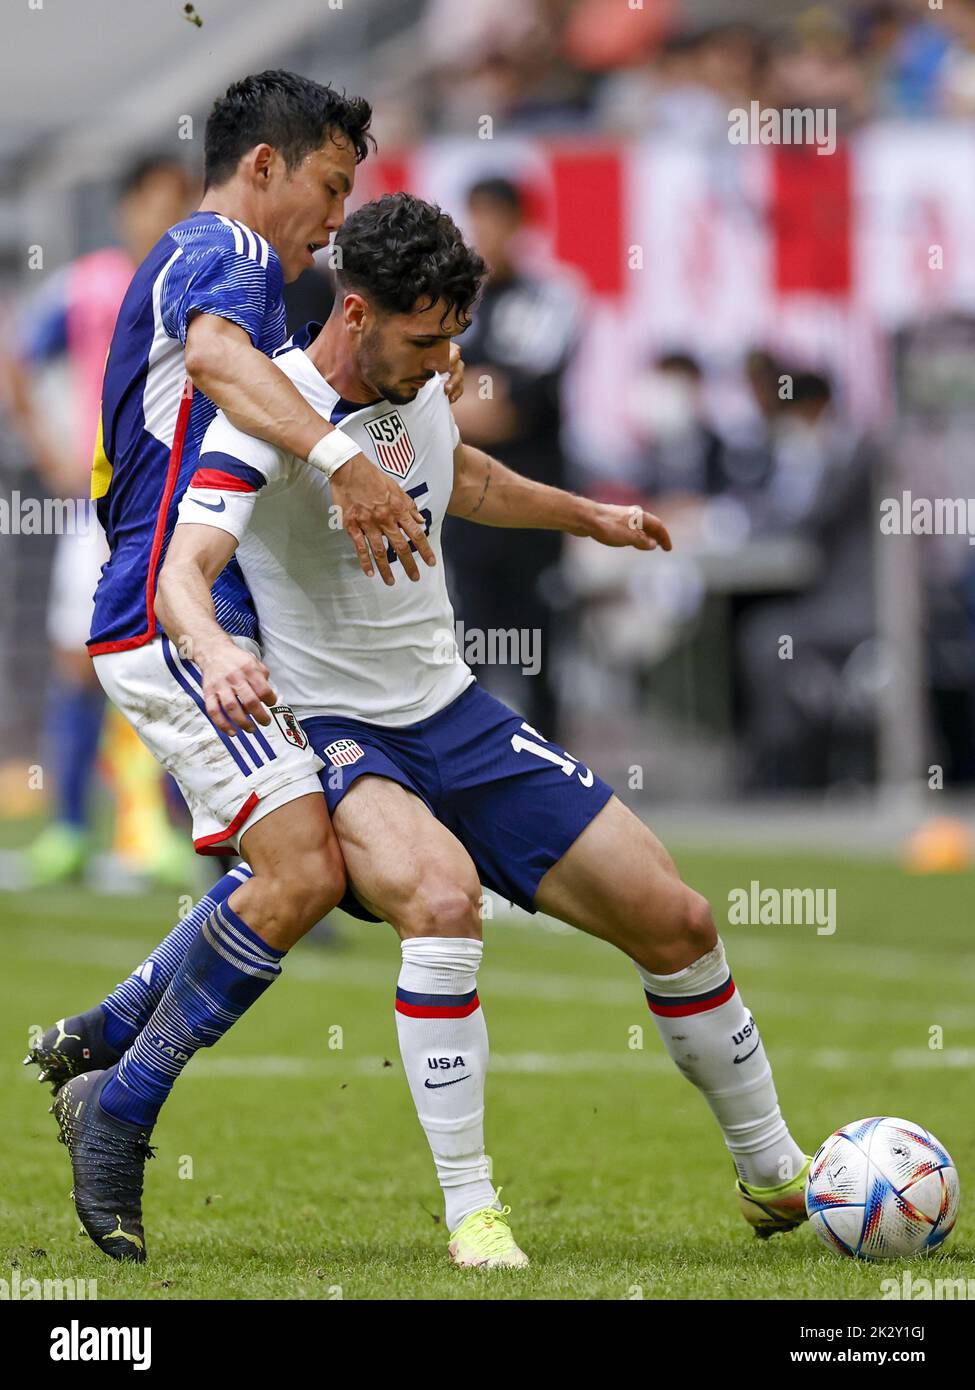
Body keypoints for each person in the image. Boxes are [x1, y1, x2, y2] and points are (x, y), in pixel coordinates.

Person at [50, 195, 810, 1271]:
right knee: (443, 900)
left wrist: (588, 514)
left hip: (455, 714)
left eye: (457, 336)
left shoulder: (423, 381)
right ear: (356, 314)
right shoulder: (273, 415)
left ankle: (776, 1173)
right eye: (427, 337)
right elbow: (184, 569)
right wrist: (219, 651)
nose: (448, 359)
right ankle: (472, 1212)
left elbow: (466, 479)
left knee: (678, 919)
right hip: (343, 734)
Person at [26, 71, 463, 1263]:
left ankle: (109, 1038)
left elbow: (277, 380)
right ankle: (117, 1104)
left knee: (307, 870)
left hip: (204, 614)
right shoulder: (218, 246)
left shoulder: (260, 281)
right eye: (331, 185)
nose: (337, 216)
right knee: (306, 869)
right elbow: (221, 362)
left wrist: (423, 381)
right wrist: (342, 460)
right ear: (265, 167)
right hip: (170, 612)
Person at [3, 154, 197, 887]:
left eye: (177, 202)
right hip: (100, 505)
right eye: (154, 201)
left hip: (181, 504)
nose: (164, 216)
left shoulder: (199, 283)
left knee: (183, 658)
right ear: (125, 209)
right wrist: (50, 445)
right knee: (76, 663)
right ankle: (69, 829)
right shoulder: (87, 287)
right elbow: (18, 359)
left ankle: (176, 826)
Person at [445, 176, 581, 737]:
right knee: (464, 653)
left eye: (496, 219)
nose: (485, 233)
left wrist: (455, 399)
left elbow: (506, 407)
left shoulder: (550, 299)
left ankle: (553, 785)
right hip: (464, 508)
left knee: (537, 654)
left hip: (531, 505)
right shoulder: (455, 305)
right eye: (477, 219)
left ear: (521, 226)